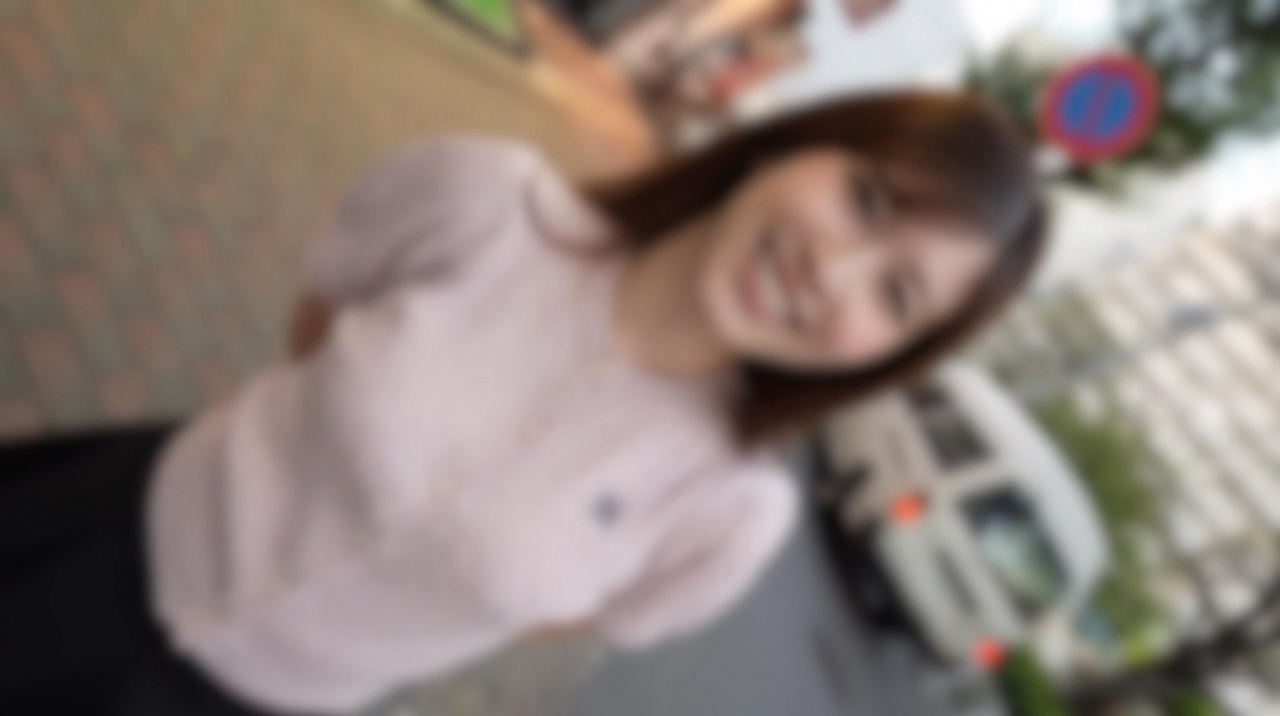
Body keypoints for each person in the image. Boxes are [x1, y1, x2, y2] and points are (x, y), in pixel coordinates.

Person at [0, 91, 1047, 715]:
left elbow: (563, 613)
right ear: (794, 141)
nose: (832, 269)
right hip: (109, 522)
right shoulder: (488, 200)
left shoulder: (733, 508)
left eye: (895, 295)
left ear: (889, 356)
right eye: (864, 197)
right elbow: (321, 315)